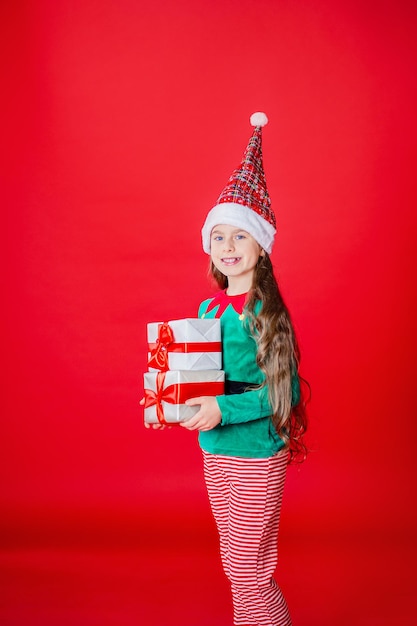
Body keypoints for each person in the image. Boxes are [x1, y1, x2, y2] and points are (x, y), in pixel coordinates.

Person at [145, 112, 307, 626]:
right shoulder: (209, 311)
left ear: (262, 247)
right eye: (220, 238)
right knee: (237, 565)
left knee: (249, 568)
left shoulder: (265, 312)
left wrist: (220, 406)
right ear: (209, 249)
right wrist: (167, 400)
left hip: (258, 452)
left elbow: (283, 392)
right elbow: (195, 375)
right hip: (216, 450)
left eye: (240, 238)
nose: (229, 248)